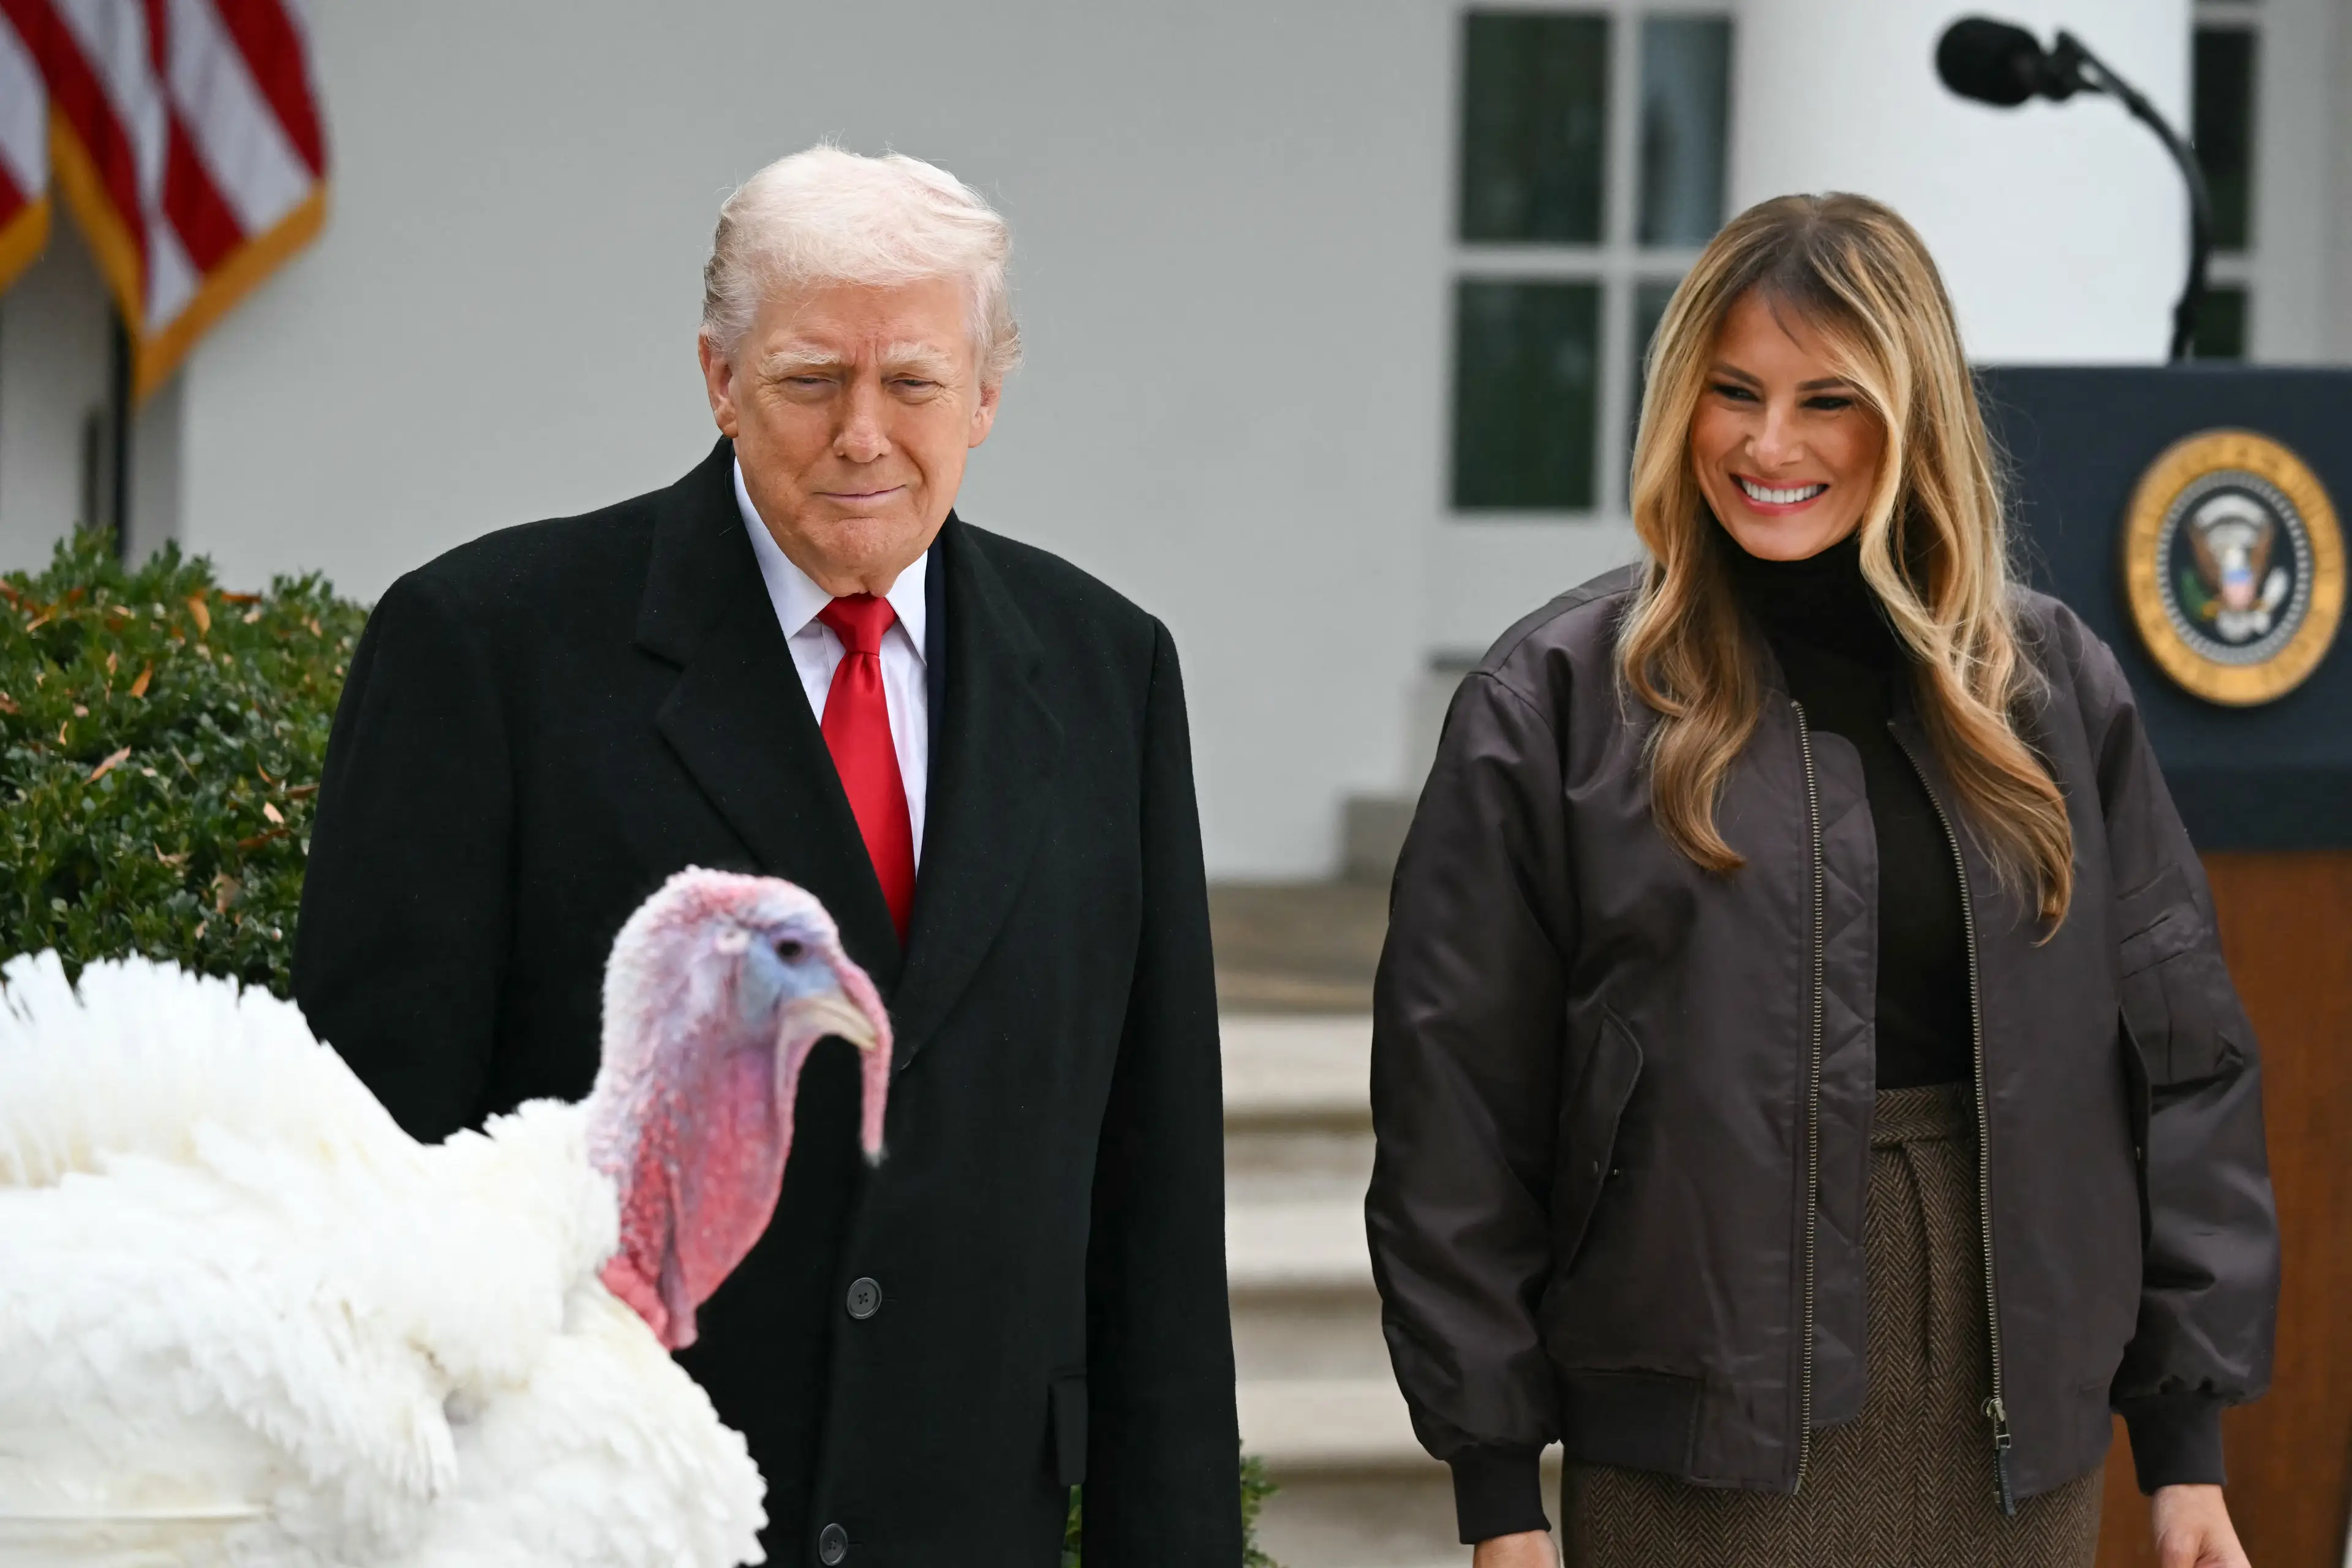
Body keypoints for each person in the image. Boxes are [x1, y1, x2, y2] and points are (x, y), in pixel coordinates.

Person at [294, 145, 1241, 1566]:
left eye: (914, 381)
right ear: (719, 377)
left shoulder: (1113, 672)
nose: (864, 431)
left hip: (972, 1520)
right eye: (811, 379)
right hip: (603, 1520)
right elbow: (376, 1177)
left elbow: (1154, 1189)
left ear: (985, 395)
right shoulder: (485, 651)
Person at [1365, 193, 2276, 1568]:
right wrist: (1498, 1488)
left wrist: (2186, 1436)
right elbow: (1454, 1104)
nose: (1768, 444)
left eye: (1827, 400)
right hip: (1697, 1434)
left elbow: (2184, 1057)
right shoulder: (1555, 698)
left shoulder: (2044, 686)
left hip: (2014, 1427)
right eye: (1733, 392)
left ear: (1911, 420)